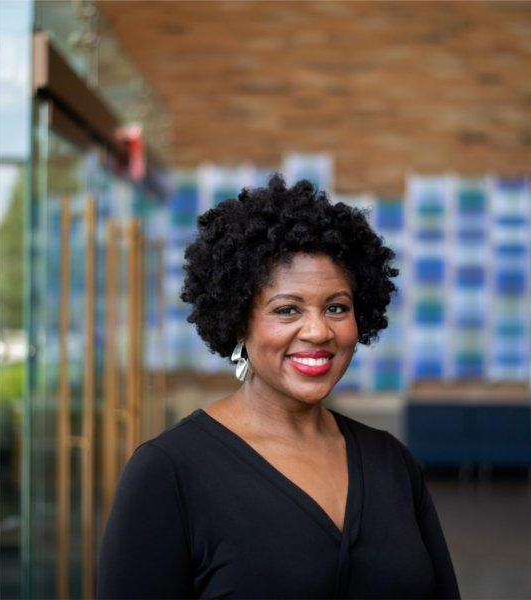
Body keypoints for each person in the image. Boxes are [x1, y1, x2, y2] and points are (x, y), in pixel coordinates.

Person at [97, 174, 461, 599]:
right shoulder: (169, 472)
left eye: (337, 308)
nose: (318, 331)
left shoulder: (392, 464)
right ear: (238, 320)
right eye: (287, 309)